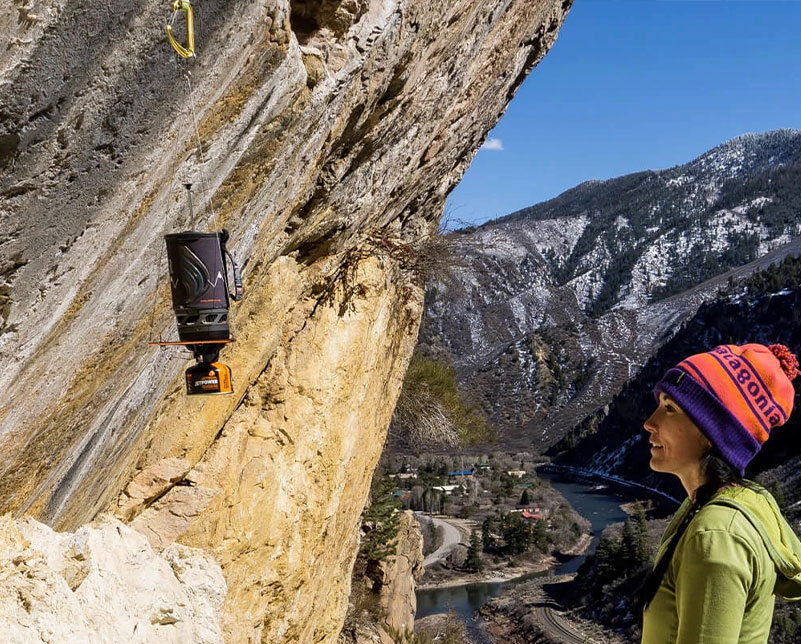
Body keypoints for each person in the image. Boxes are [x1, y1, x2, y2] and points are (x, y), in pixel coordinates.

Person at [640, 343, 801, 643]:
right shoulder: (711, 509)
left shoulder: (715, 537)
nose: (650, 423)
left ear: (713, 434)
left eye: (669, 409)